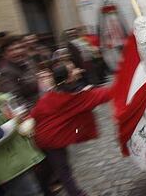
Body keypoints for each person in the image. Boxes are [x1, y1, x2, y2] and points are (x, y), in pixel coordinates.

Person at [29, 60, 113, 196]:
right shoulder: (75, 97)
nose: (78, 70)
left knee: (48, 170)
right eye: (73, 70)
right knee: (63, 171)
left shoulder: (52, 94)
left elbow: (35, 114)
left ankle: (47, 191)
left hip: (44, 138)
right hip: (52, 140)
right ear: (68, 77)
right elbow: (106, 94)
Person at [0, 70, 45, 196]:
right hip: (7, 168)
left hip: (20, 159)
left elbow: (17, 114)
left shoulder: (1, 99)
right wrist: (14, 122)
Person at [0, 36, 39, 108]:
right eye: (12, 50)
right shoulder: (6, 73)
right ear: (5, 55)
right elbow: (15, 101)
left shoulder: (30, 62)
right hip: (32, 110)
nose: (18, 51)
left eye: (21, 47)